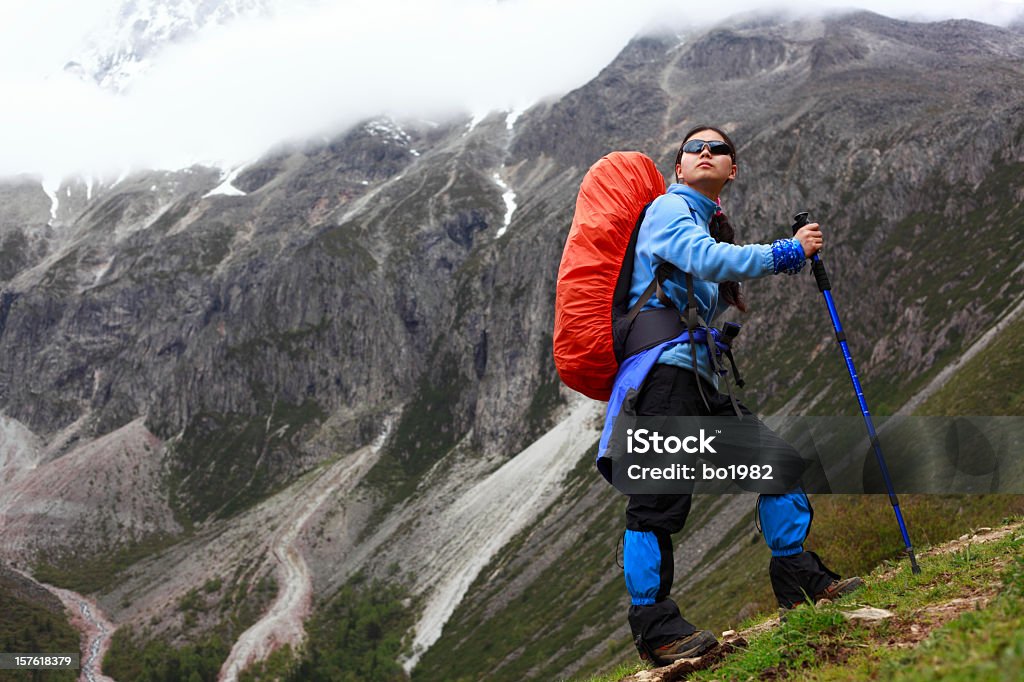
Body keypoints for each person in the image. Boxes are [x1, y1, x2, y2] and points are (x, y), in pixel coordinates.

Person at [608, 125, 864, 665]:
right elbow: (703, 259)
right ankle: (656, 632)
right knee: (655, 503)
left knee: (778, 468)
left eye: (717, 149)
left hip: (697, 378)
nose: (705, 153)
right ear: (678, 169)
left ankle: (799, 583)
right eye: (693, 149)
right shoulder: (669, 210)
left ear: (732, 170)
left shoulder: (701, 217)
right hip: (663, 377)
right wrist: (787, 253)